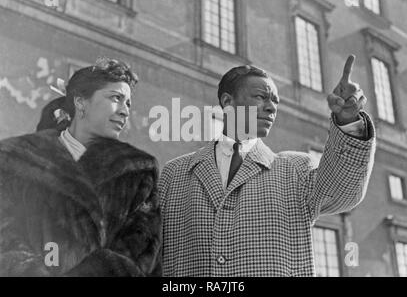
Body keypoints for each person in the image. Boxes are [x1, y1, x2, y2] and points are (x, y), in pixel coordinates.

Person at [159, 55, 376, 276]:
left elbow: (343, 192)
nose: (272, 108)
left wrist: (348, 121)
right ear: (227, 102)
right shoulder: (175, 173)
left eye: (275, 101)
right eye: (261, 97)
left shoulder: (296, 170)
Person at [0, 58, 161, 276]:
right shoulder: (16, 157)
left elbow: (142, 252)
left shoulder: (139, 170)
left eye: (128, 103)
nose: (125, 111)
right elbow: (5, 233)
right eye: (116, 98)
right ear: (81, 102)